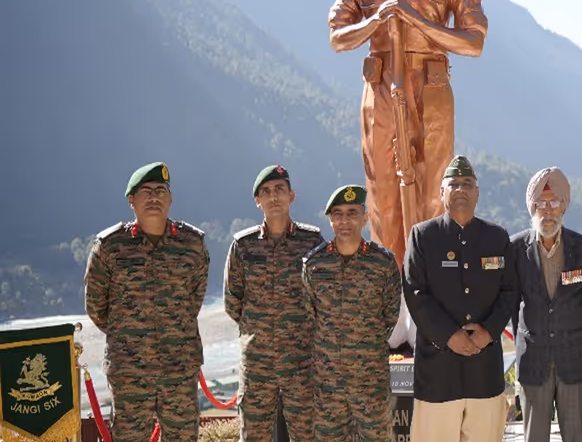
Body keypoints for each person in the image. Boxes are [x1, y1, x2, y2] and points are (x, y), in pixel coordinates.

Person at [328, 0, 488, 269]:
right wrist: (373, 24)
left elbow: (474, 42)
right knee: (382, 195)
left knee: (434, 194)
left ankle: (431, 296)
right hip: (379, 90)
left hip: (431, 94)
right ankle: (390, 305)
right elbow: (337, 37)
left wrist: (418, 23)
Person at [84, 162, 209, 442]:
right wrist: (129, 335)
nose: (154, 197)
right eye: (146, 191)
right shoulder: (110, 247)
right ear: (132, 201)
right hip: (130, 370)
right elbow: (95, 306)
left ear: (171, 198)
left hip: (179, 366)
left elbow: (194, 298)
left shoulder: (192, 245)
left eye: (160, 191)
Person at [403, 156, 518, 442]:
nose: (460, 189)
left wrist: (489, 331)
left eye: (467, 184)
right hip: (438, 374)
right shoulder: (423, 236)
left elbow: (510, 290)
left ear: (477, 192)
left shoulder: (496, 237)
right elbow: (415, 292)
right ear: (441, 193)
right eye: (453, 184)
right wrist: (449, 335)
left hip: (484, 372)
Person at [224, 164, 324, 442]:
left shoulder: (312, 242)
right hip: (258, 363)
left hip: (302, 361)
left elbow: (323, 297)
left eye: (280, 189)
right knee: (255, 436)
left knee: (308, 435)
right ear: (258, 201)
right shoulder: (243, 246)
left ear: (291, 196)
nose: (274, 196)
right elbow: (233, 301)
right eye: (266, 192)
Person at [302, 185, 401, 442]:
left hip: (370, 379)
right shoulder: (314, 264)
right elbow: (308, 316)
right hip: (328, 383)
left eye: (352, 213)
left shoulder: (383, 263)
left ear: (365, 217)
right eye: (338, 214)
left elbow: (390, 315)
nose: (345, 220)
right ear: (330, 220)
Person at [510, 167, 582, 442]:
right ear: (532, 207)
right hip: (533, 363)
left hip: (574, 361)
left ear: (564, 206)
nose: (547, 210)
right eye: (541, 203)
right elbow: (512, 307)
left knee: (576, 437)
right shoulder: (515, 250)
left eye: (554, 202)